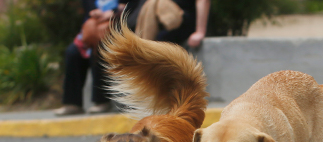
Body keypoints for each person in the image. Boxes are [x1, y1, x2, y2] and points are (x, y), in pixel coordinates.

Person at [54, 0, 209, 116]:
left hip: (126, 26)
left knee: (105, 48)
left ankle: (102, 101)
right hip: (102, 27)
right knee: (73, 52)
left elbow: (131, 7)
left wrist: (200, 31)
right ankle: (72, 103)